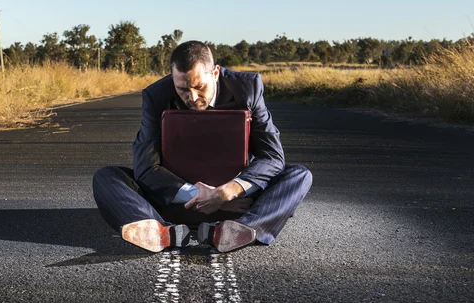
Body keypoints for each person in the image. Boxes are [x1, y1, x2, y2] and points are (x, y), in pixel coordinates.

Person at [93, 40, 312, 253]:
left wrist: (228, 192)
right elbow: (146, 167)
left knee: (299, 175)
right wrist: (203, 197)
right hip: (175, 200)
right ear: (172, 79)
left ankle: (240, 229)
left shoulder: (248, 88)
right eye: (182, 90)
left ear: (215, 73)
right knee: (107, 177)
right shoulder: (155, 96)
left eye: (199, 87)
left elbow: (272, 157)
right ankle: (164, 232)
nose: (193, 97)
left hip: (240, 200)